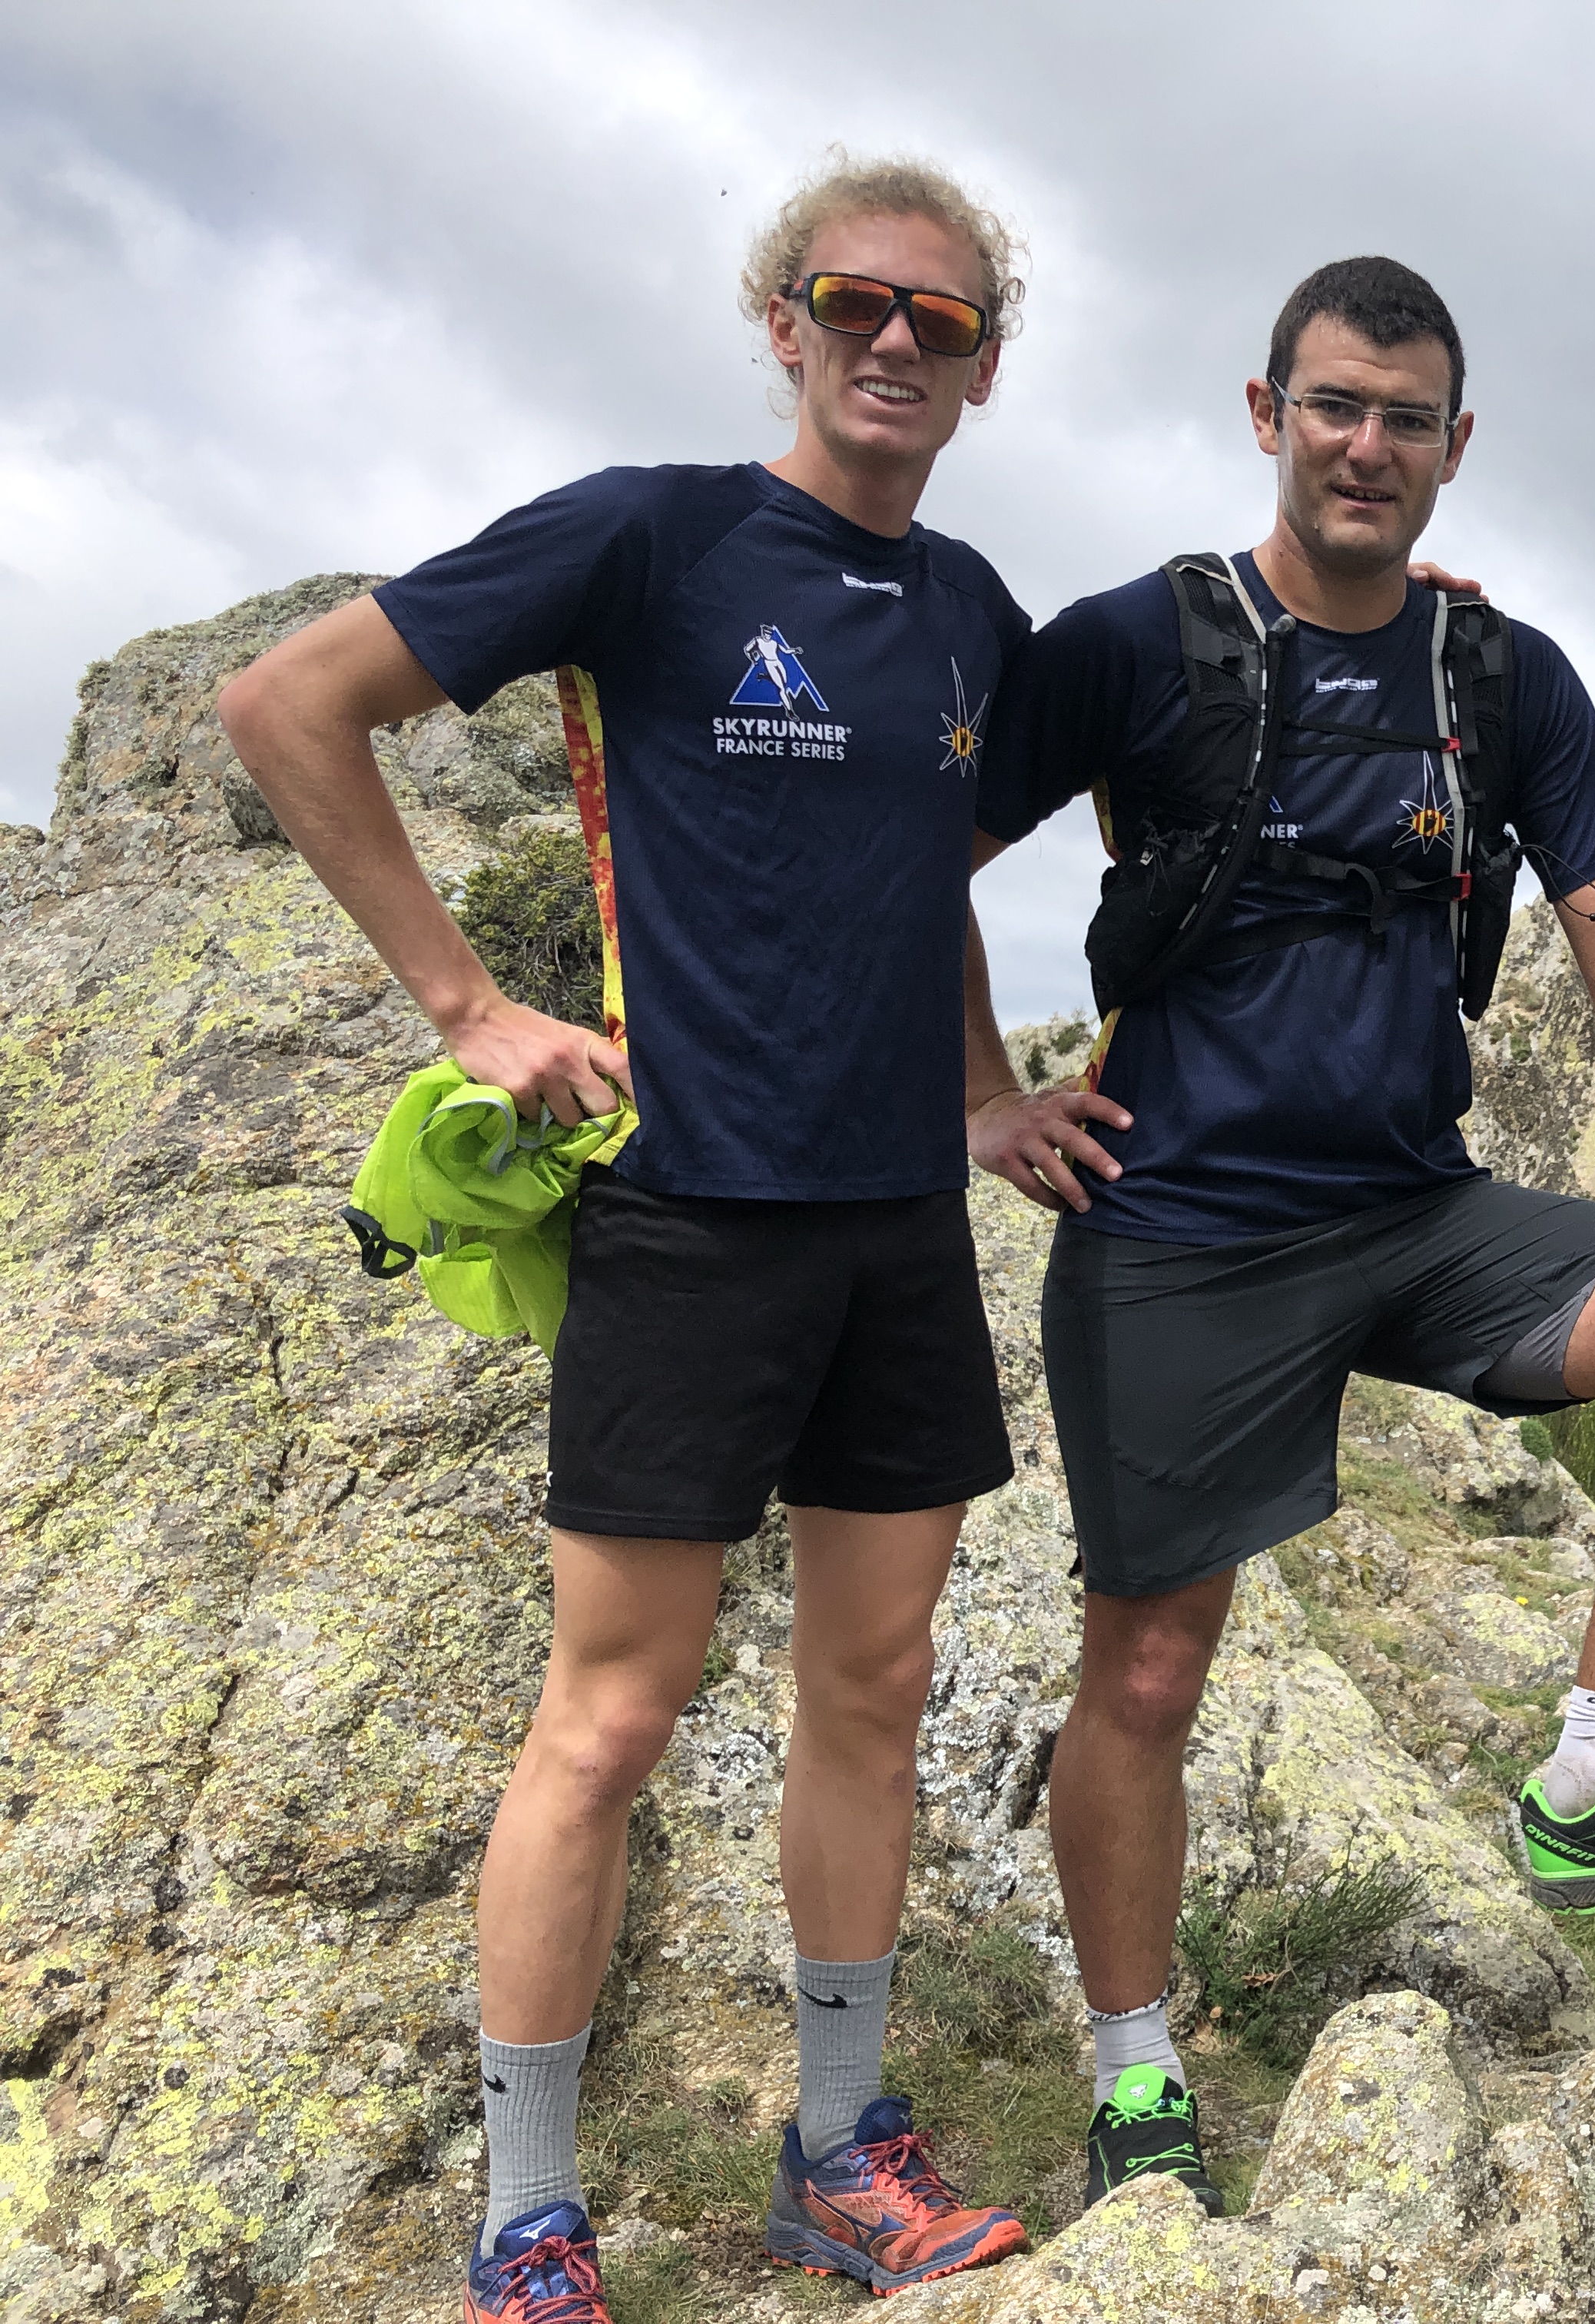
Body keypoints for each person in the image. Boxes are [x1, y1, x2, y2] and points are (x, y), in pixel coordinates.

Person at [221, 158, 1051, 2318]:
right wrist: (467, 1009)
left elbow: (931, 866)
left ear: (985, 366)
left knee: (874, 1685)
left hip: (896, 1230)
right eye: (856, 302)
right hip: (687, 1215)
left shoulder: (970, 609)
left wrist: (983, 1092)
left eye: (943, 318)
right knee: (610, 1716)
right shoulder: (652, 538)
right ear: (784, 321)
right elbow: (290, 704)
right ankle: (528, 2215)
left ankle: (838, 2153)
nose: (896, 340)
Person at [964, 257, 1595, 2213]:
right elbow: (921, 851)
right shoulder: (1133, 644)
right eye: (1335, 407)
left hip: (1415, 1211)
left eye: (1406, 419)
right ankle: (1136, 2072)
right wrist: (980, 1100)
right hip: (1181, 1229)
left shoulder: (1499, 678)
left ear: (1458, 446)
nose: (1367, 446)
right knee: (1148, 1674)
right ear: (1265, 414)